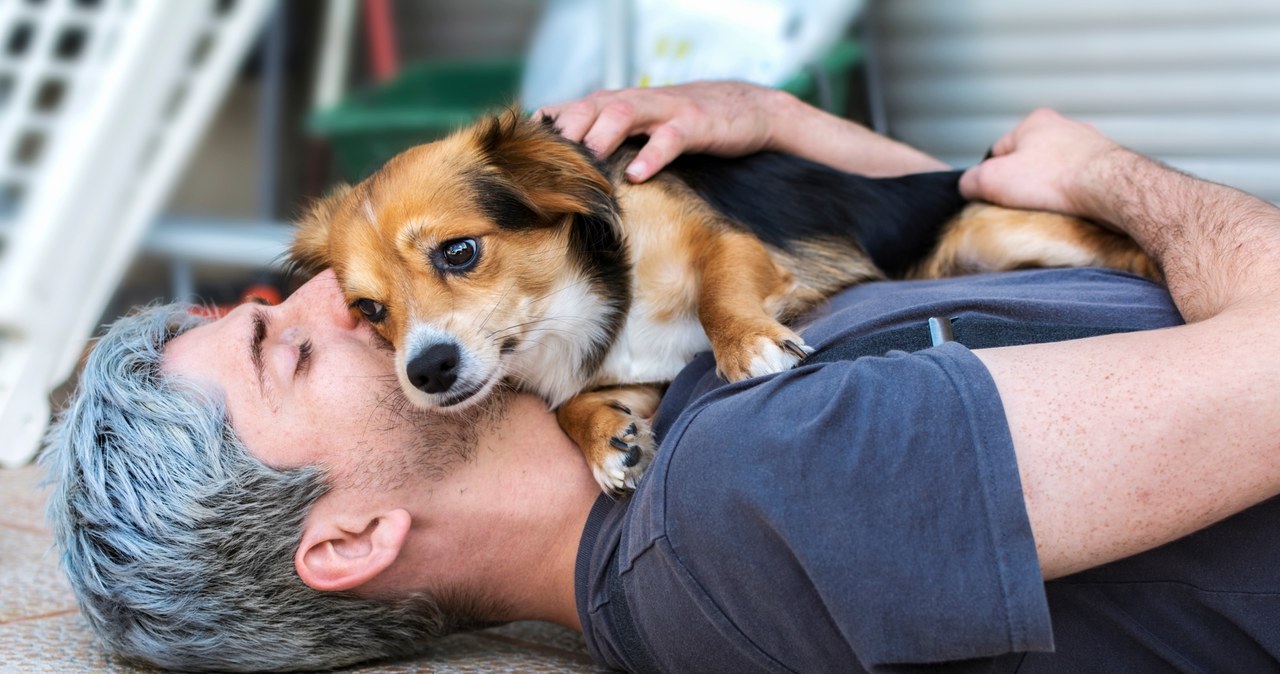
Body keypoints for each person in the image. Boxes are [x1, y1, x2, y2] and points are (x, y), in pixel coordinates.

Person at [41, 81, 1280, 672]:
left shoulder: (680, 420)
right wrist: (1112, 168)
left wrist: (793, 137)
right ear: (351, 537)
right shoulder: (746, 498)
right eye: (290, 347)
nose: (340, 292)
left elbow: (973, 279)